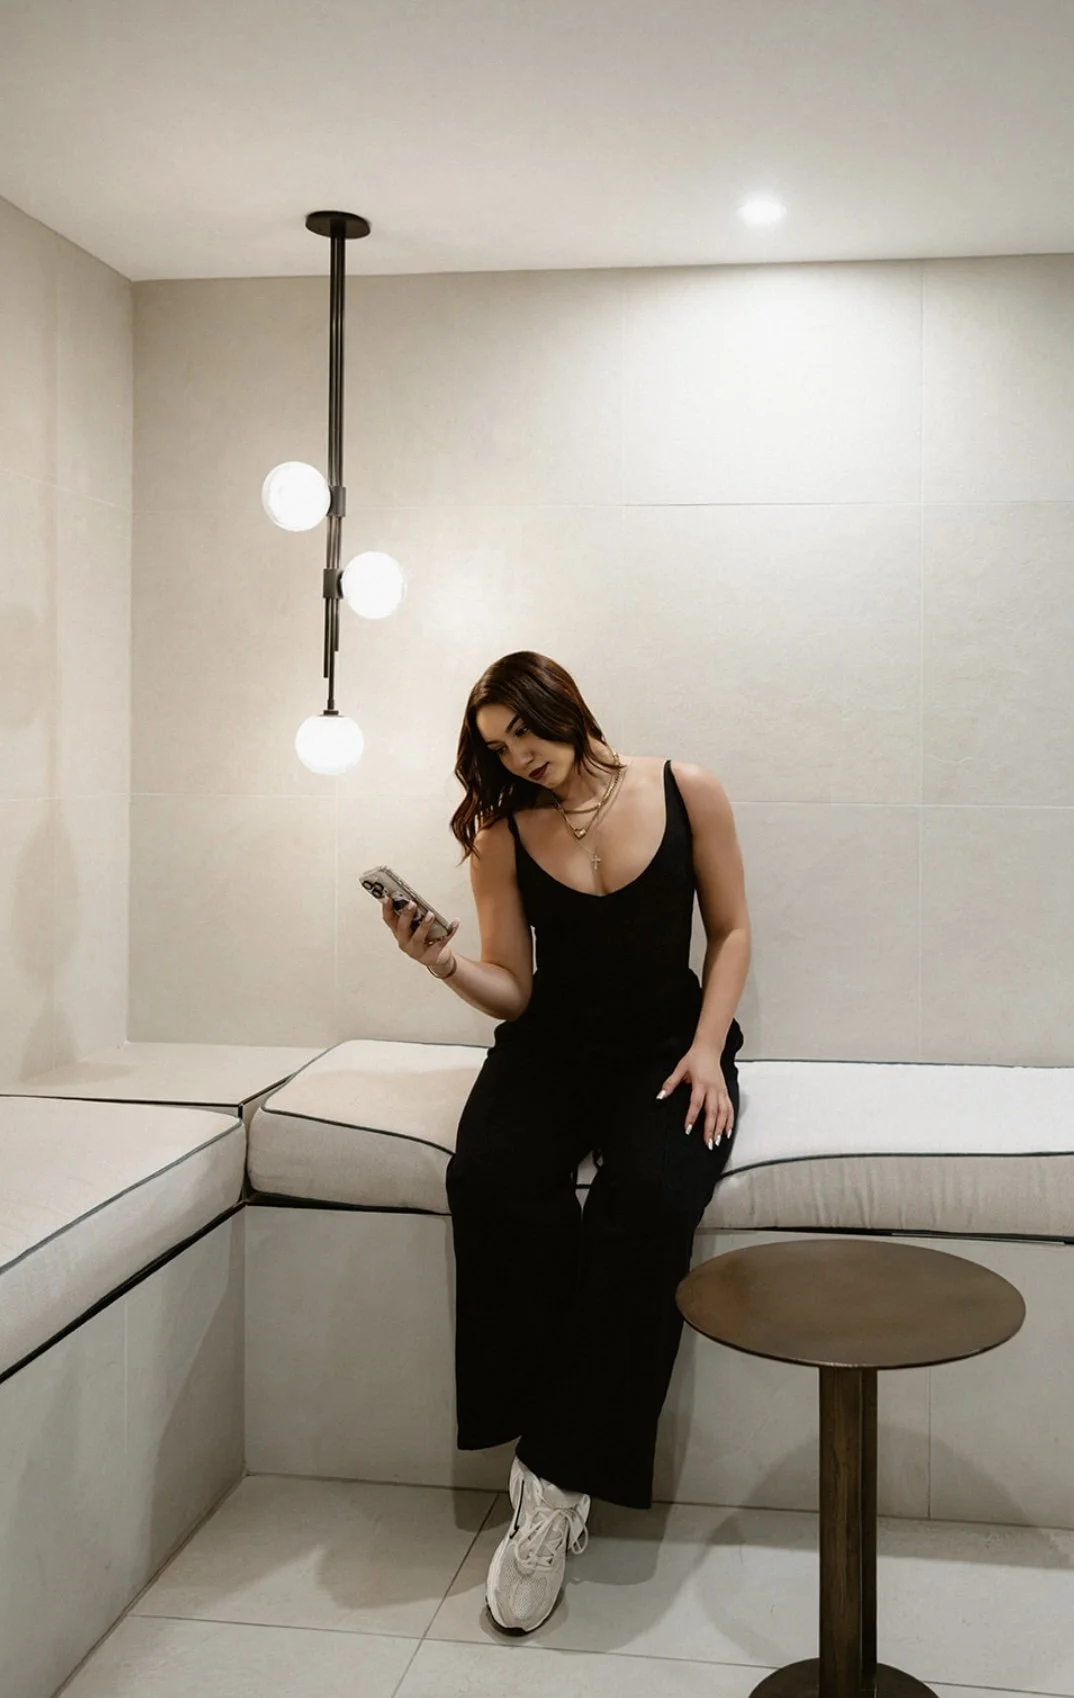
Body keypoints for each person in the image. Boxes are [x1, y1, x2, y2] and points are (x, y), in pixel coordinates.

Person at [379, 651, 750, 1635]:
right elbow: (515, 986)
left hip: (669, 1052)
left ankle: (551, 1485)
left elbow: (733, 931)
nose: (520, 758)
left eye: (527, 734)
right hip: (549, 1051)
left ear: (566, 708)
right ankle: (548, 1458)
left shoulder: (686, 788)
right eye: (498, 748)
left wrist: (710, 1049)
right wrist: (445, 963)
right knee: (491, 1179)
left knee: (654, 1205)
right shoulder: (501, 829)